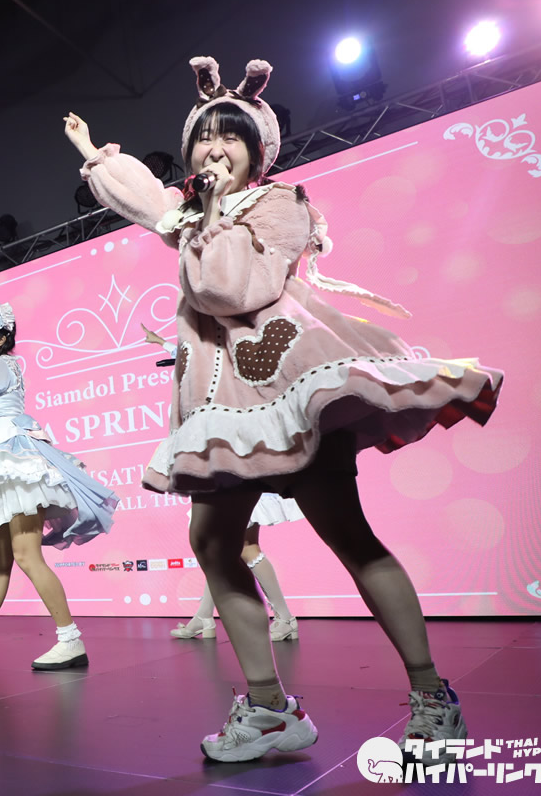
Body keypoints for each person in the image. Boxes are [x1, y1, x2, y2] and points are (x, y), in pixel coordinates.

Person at [67, 57, 501, 762]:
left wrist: (208, 214)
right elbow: (147, 199)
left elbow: (229, 287)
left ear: (256, 149)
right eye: (203, 136)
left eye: (229, 136)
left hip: (286, 394)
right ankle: (269, 709)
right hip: (222, 405)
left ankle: (432, 697)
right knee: (214, 544)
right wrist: (96, 154)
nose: (213, 147)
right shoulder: (193, 212)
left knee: (348, 535)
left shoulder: (280, 205)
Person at [0, 301, 119, 670]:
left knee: (26, 555)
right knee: (0, 558)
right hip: (9, 459)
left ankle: (70, 640)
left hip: (14, 462)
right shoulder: (2, 362)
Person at [142, 323, 300, 642]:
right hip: (226, 456)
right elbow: (191, 357)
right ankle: (204, 618)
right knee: (220, 548)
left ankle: (285, 618)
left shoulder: (239, 354)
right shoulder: (207, 359)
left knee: (243, 547)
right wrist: (161, 343)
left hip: (240, 456)